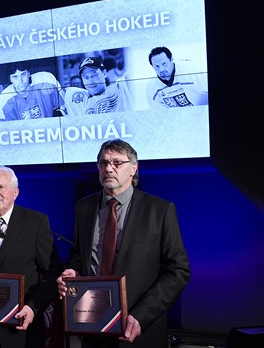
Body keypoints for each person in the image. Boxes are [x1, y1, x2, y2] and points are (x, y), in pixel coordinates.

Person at [56, 139, 191, 348]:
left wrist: (142, 315)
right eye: (103, 163)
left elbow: (178, 271)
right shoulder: (84, 207)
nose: (109, 168)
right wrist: (73, 272)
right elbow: (78, 255)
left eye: (117, 163)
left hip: (137, 329)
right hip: (92, 327)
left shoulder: (160, 210)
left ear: (133, 169)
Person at [0, 165, 63, 348]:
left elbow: (52, 274)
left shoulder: (36, 223)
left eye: (1, 187)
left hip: (21, 329)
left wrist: (33, 307)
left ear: (15, 192)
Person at [63, 56, 133, 116]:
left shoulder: (120, 89)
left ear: (104, 73)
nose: (90, 81)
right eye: (85, 77)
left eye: (94, 75)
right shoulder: (77, 100)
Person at [0, 62, 64, 121]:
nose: (20, 80)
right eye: (15, 77)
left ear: (28, 73)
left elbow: (64, 109)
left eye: (23, 74)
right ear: (11, 79)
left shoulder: (46, 82)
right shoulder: (5, 100)